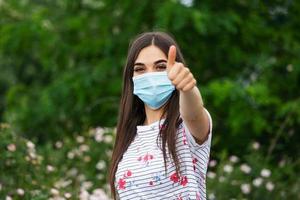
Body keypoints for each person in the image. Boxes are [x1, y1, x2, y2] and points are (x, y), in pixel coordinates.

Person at [109, 31, 213, 200]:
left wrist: (187, 89)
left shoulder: (186, 127)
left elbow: (193, 113)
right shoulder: (129, 137)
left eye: (160, 67)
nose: (150, 75)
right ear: (132, 77)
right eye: (140, 69)